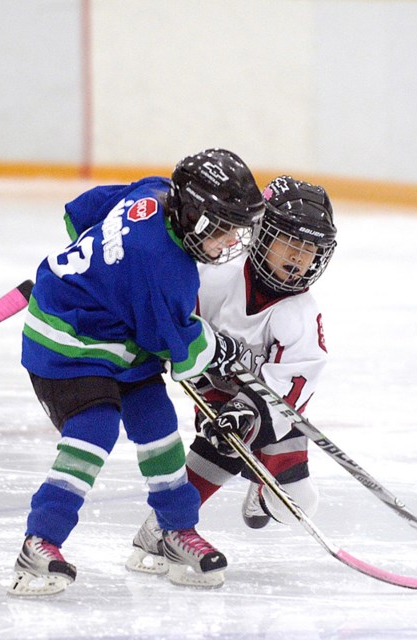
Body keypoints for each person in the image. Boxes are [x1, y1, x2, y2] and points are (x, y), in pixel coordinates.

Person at [7, 149, 266, 596]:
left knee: (158, 424)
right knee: (94, 431)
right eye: (222, 229)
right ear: (192, 214)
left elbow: (81, 212)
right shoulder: (166, 268)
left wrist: (104, 273)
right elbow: (178, 349)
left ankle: (175, 532)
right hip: (69, 341)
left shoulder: (155, 190)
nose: (229, 242)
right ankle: (39, 541)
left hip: (120, 331)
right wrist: (220, 350)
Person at [126, 175, 338, 571]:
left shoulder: (301, 316)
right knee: (221, 442)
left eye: (310, 249)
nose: (299, 257)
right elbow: (172, 314)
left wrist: (251, 411)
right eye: (290, 242)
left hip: (269, 407)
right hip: (213, 380)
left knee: (299, 505)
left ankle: (261, 492)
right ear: (261, 233)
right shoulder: (216, 275)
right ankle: (160, 527)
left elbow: (291, 387)